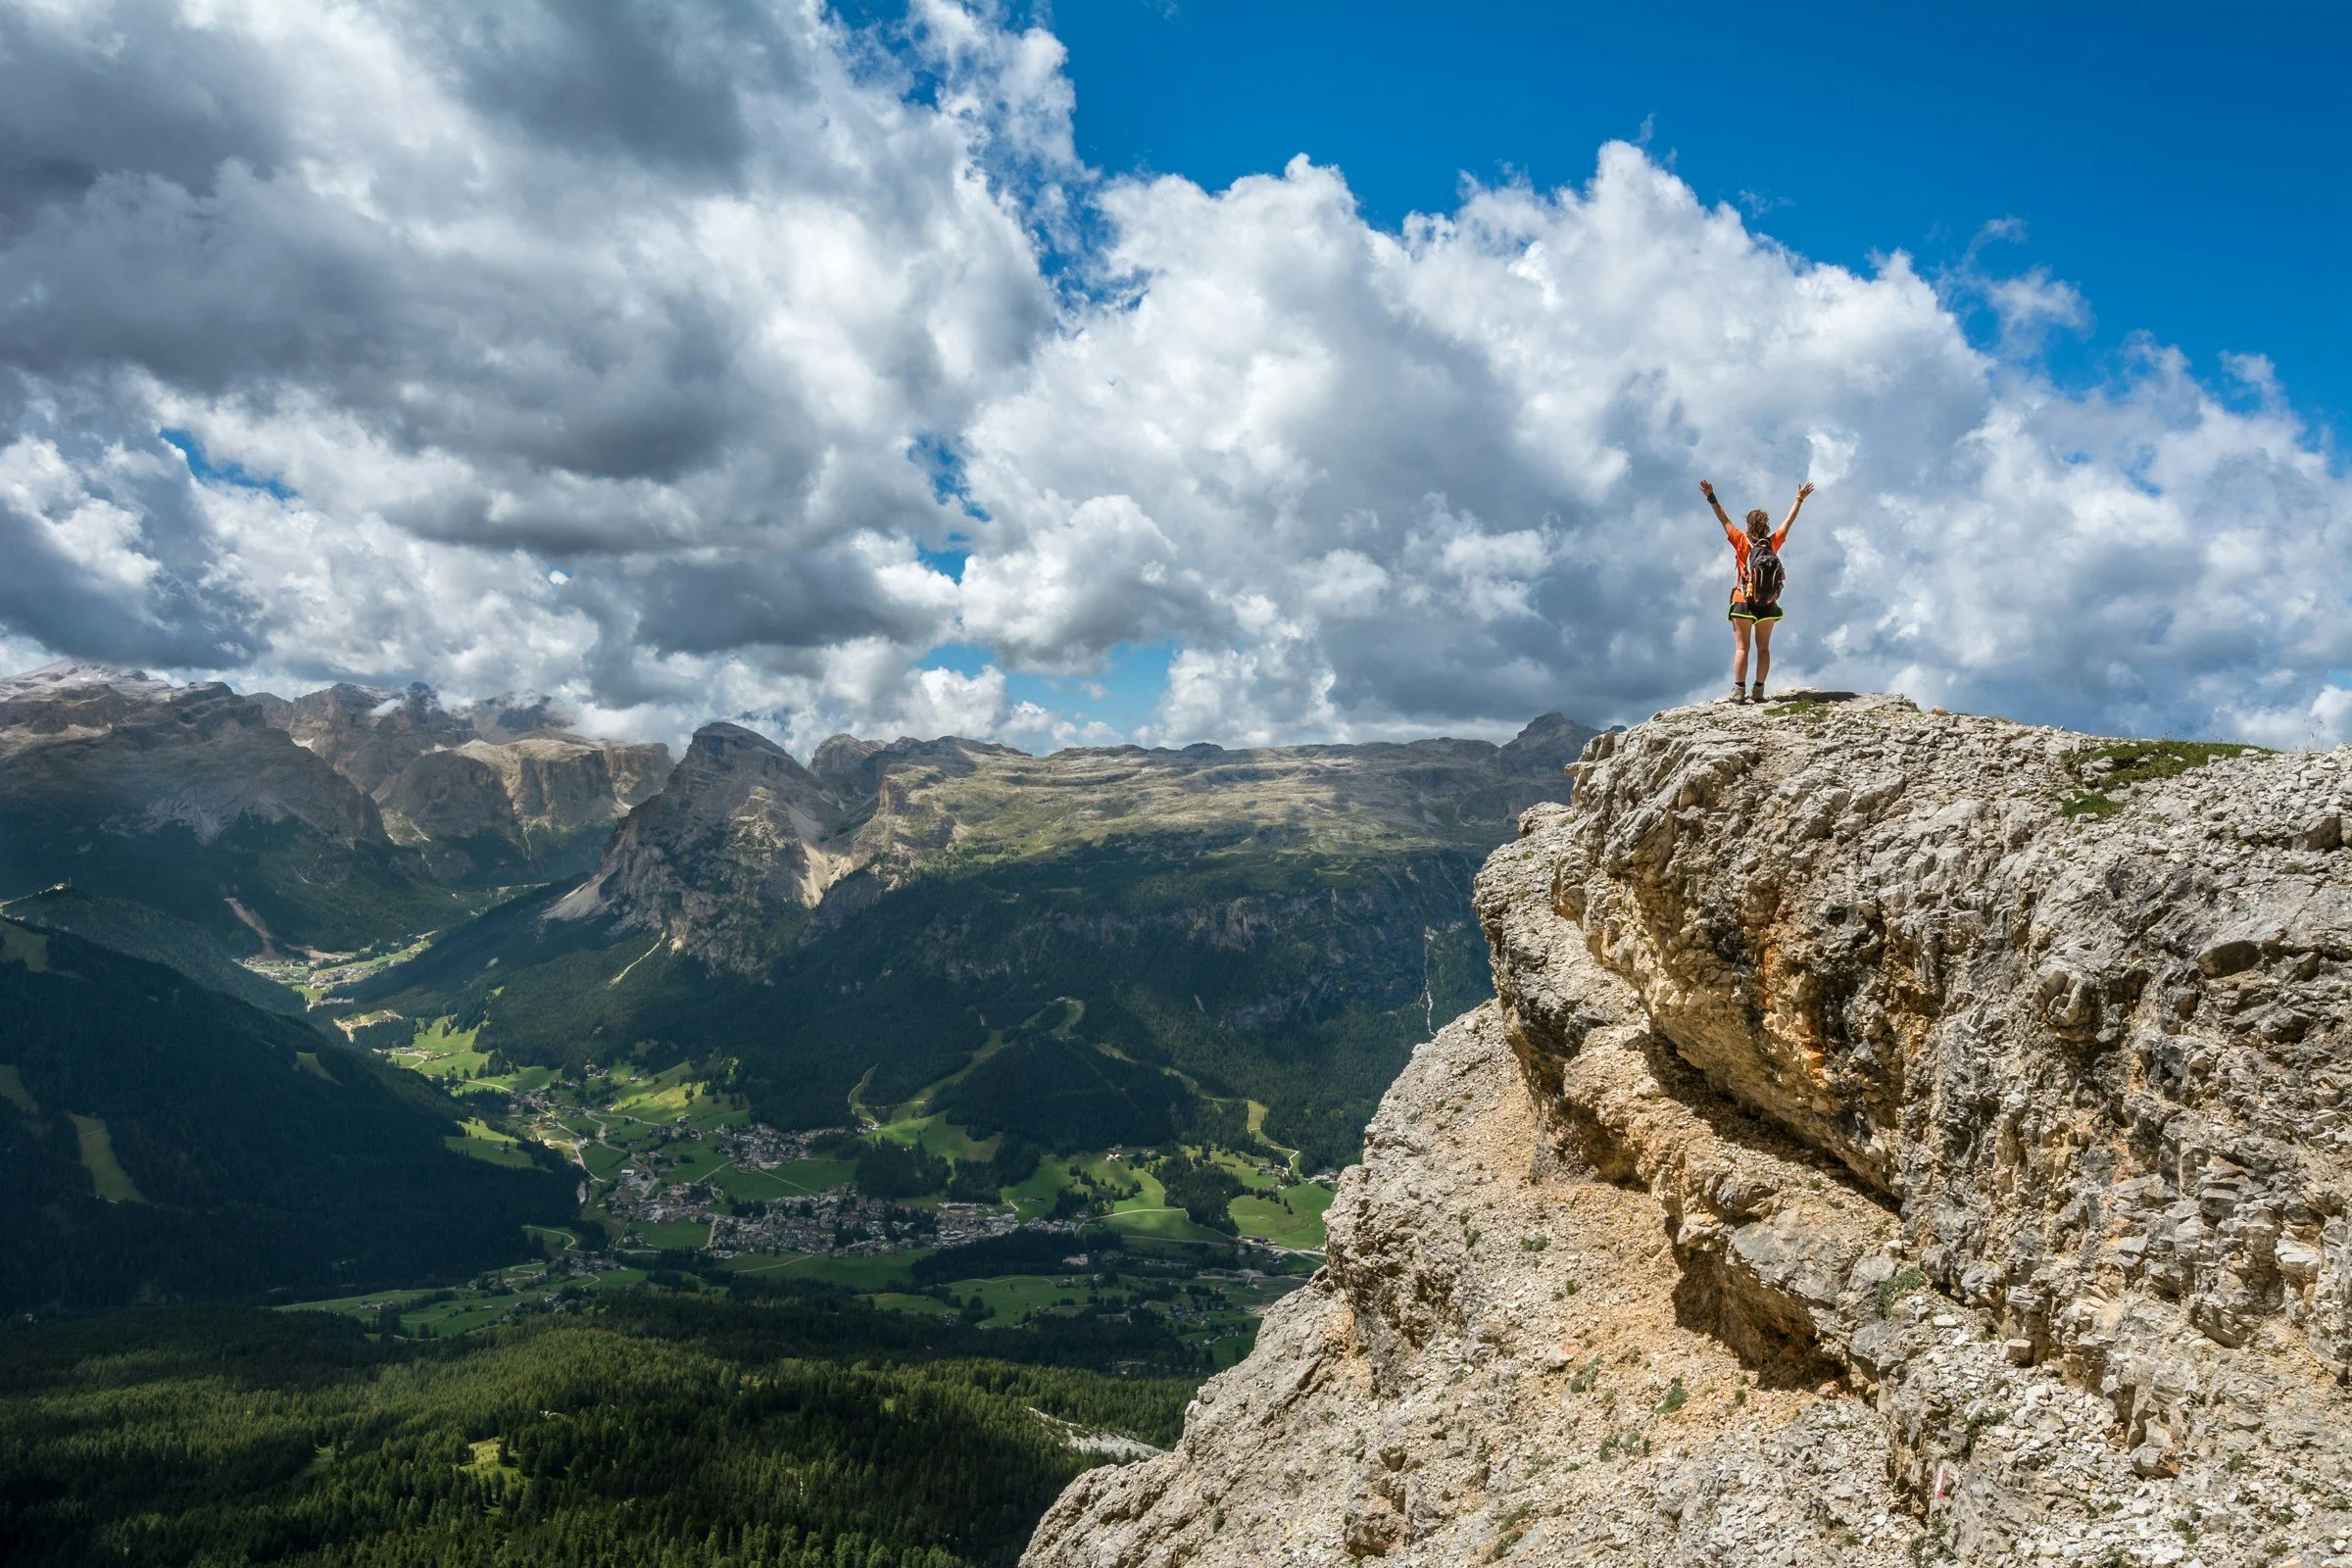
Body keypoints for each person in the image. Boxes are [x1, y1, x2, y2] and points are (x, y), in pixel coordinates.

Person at [1701, 478, 1812, 703]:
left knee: (1742, 647)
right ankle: (1759, 690)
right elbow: (1789, 521)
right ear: (1766, 527)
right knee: (1764, 648)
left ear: (1748, 527)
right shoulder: (1773, 543)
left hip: (1743, 600)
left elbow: (1723, 519)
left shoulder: (1741, 541)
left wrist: (1711, 496)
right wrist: (1799, 499)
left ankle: (1739, 691)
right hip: (1767, 603)